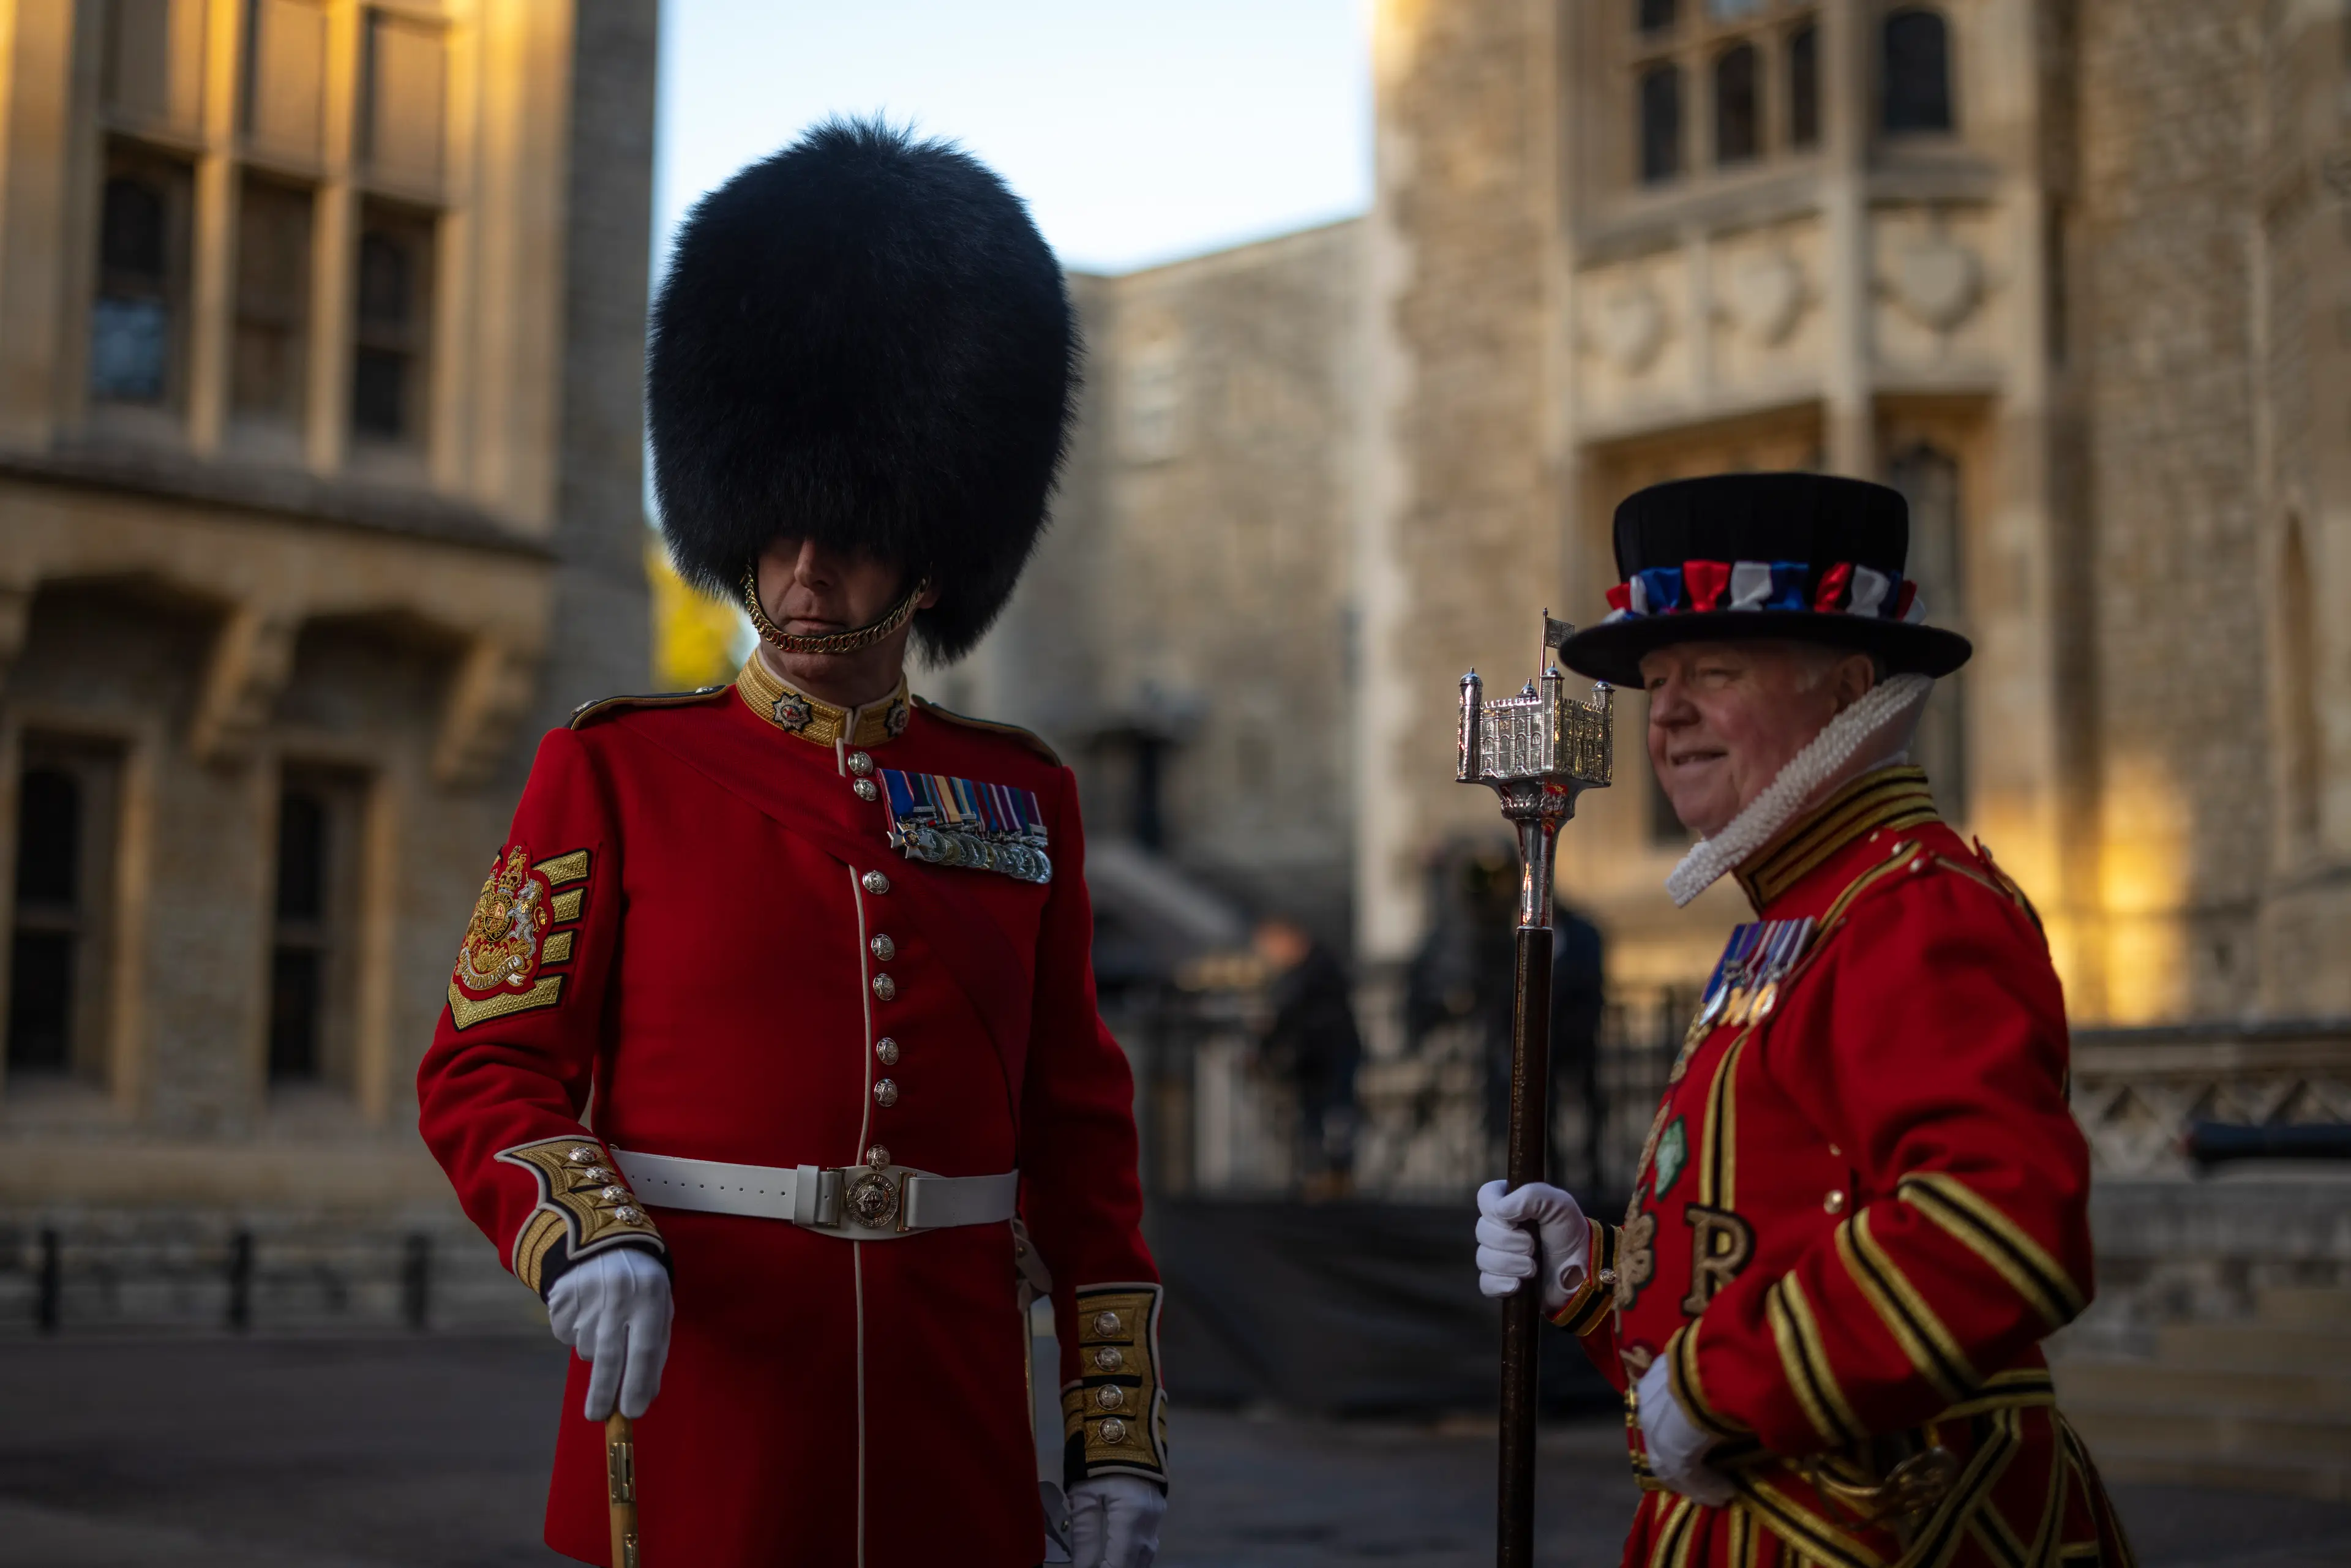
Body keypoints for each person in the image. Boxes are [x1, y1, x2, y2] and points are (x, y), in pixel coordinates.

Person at [417, 122, 1166, 1568]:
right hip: (707, 1405)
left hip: (950, 1420)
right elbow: (485, 1060)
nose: (802, 572)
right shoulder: (618, 767)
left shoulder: (1020, 798)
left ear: (929, 545)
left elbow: (1077, 1147)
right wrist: (590, 1229)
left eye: (848, 535)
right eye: (772, 533)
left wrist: (1114, 1432)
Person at [1472, 474, 2133, 1568]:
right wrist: (1591, 1278)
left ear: (1850, 687)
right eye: (1657, 680)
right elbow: (1771, 1239)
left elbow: (1996, 1231)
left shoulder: (1917, 909)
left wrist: (1720, 1384)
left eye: (1715, 671)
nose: (1667, 711)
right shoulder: (1811, 910)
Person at [1251, 914, 1362, 1198]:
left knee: (1332, 1120)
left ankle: (1332, 1176)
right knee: (1318, 1121)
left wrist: (1268, 1042)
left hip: (1328, 1057)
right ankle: (1324, 1175)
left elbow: (1286, 1014)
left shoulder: (1314, 971)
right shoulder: (1309, 971)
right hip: (1316, 1060)